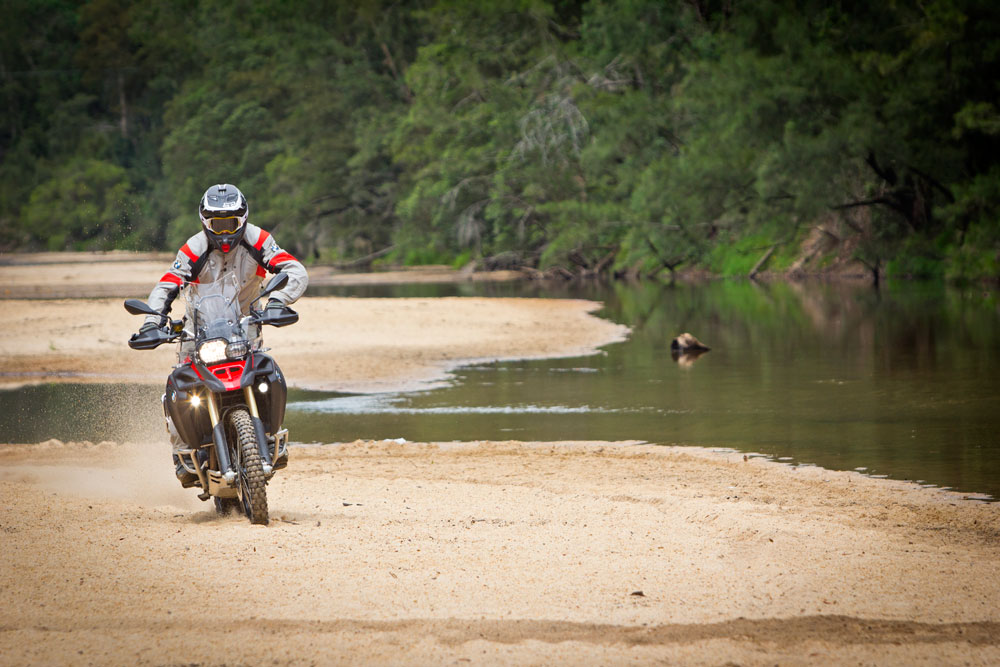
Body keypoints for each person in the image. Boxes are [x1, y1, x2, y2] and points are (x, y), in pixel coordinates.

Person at [136, 183, 308, 485]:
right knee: (178, 385)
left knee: (268, 373)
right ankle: (183, 455)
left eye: (230, 223)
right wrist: (153, 321)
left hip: (244, 323)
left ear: (242, 220)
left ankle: (269, 436)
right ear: (205, 222)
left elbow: (295, 270)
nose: (224, 232)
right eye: (217, 224)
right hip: (199, 328)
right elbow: (168, 284)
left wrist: (277, 302)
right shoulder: (194, 248)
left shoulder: (259, 240)